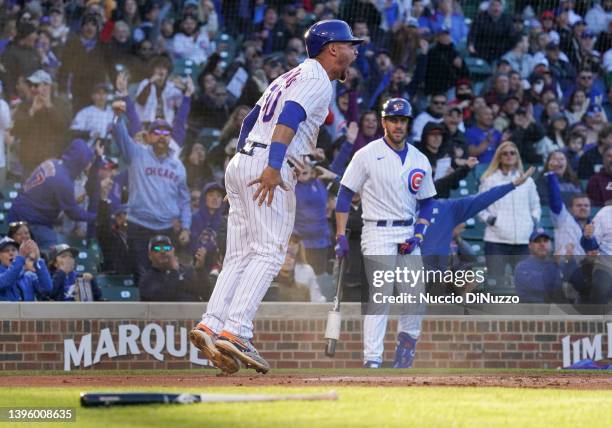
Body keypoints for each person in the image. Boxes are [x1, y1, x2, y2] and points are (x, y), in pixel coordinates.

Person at [189, 19, 363, 375]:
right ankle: (235, 331)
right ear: (332, 48)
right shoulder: (316, 80)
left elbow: (250, 119)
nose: (355, 50)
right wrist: (271, 166)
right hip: (270, 165)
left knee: (239, 255)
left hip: (241, 162)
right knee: (269, 253)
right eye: (350, 44)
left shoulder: (289, 76)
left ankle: (211, 323)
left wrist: (241, 168)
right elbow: (290, 116)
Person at [335, 98, 436, 369]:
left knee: (415, 297)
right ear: (383, 122)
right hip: (376, 230)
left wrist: (419, 234)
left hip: (407, 231)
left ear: (408, 123)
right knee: (380, 296)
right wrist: (341, 235)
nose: (398, 125)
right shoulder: (366, 154)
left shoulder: (420, 158)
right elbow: (344, 195)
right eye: (393, 119)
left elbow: (427, 201)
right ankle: (373, 359)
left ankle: (405, 349)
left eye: (402, 120)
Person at [110, 110, 191, 281]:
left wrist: (185, 227)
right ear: (148, 136)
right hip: (139, 226)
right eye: (157, 132)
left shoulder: (178, 166)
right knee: (142, 276)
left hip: (166, 228)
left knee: (167, 276)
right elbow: (120, 135)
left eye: (166, 133)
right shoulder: (136, 154)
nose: (162, 136)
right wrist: (118, 116)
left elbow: (184, 200)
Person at [8, 139, 96, 249]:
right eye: (87, 161)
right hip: (30, 221)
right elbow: (73, 213)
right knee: (54, 250)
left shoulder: (52, 162)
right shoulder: (64, 181)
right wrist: (95, 217)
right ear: (79, 161)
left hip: (17, 210)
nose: (88, 164)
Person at [478, 141, 541, 288]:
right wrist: (491, 220)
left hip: (523, 240)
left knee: (525, 284)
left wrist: (532, 220)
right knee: (496, 284)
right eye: (505, 153)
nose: (509, 156)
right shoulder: (489, 180)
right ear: (499, 157)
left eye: (512, 153)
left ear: (517, 156)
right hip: (496, 240)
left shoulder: (528, 181)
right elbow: (479, 206)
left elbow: (535, 205)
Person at [139, 235, 210, 302]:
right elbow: (162, 299)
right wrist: (173, 271)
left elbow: (206, 295)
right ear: (150, 255)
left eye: (167, 248)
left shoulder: (187, 271)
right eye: (157, 249)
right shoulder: (147, 279)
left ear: (173, 251)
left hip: (192, 313)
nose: (162, 251)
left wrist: (200, 271)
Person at [514, 230, 565, 303]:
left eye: (545, 241)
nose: (542, 244)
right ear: (530, 246)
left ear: (551, 244)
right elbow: (537, 291)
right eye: (537, 241)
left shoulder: (557, 264)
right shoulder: (522, 267)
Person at [96, 177, 130, 274]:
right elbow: (103, 224)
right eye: (126, 214)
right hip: (113, 278)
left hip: (132, 279)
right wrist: (103, 198)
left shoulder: (136, 237)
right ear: (118, 219)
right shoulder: (111, 236)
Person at [0, 237, 51, 301]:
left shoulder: (29, 276)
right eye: (6, 251)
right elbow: (6, 280)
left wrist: (38, 260)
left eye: (14, 250)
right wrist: (20, 258)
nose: (11, 253)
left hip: (28, 311)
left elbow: (47, 288)